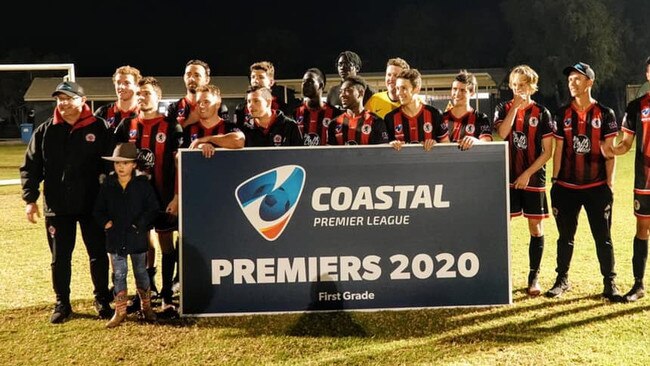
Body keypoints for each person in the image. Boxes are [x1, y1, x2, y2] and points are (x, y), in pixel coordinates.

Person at [19, 81, 113, 323]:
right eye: (60, 98)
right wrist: (30, 199)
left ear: (82, 101)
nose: (63, 103)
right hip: (58, 207)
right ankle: (62, 303)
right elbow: (31, 167)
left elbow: (111, 166)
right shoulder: (45, 131)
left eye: (69, 98)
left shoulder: (100, 128)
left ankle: (102, 299)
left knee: (98, 255)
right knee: (60, 258)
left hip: (92, 206)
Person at [546, 62, 620, 300]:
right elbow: (558, 149)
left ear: (590, 82)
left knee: (603, 238)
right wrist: (555, 180)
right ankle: (562, 280)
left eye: (577, 79)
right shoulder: (561, 113)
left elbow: (609, 152)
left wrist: (609, 183)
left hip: (596, 187)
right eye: (569, 80)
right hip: (566, 187)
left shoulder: (605, 114)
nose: (572, 83)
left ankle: (610, 283)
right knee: (565, 237)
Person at [114, 77, 183, 311]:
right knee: (142, 245)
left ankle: (166, 296)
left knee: (165, 244)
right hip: (136, 200)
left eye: (148, 94)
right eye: (140, 94)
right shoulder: (126, 127)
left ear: (158, 97)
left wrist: (176, 196)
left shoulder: (172, 126)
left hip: (163, 197)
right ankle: (145, 292)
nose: (143, 98)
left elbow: (179, 165)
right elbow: (117, 162)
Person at [494, 65, 554, 296]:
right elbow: (503, 133)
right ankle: (502, 275)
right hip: (507, 177)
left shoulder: (542, 113)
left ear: (532, 87)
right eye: (515, 85)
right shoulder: (503, 108)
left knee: (535, 227)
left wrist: (527, 173)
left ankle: (534, 276)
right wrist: (515, 109)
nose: (519, 89)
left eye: (523, 85)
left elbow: (547, 151)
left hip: (532, 177)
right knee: (502, 227)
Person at [94, 142, 159, 327]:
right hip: (116, 238)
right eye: (117, 163)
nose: (121, 167)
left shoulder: (142, 184)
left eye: (125, 163)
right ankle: (120, 311)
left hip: (136, 237)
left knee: (141, 271)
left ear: (134, 165)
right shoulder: (108, 184)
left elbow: (152, 208)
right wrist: (105, 222)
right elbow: (98, 209)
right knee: (119, 274)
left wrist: (139, 225)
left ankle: (146, 308)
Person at [605, 57, 650, 302]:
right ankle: (639, 284)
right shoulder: (636, 106)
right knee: (642, 230)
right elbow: (625, 144)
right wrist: (607, 149)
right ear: (647, 74)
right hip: (645, 180)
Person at [385, 68, 449, 151]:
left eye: (403, 88)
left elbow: (447, 145)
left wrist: (435, 145)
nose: (399, 93)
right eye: (397, 88)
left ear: (416, 89)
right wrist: (389, 146)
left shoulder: (435, 114)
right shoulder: (389, 118)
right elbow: (383, 151)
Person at [234, 61, 301, 128]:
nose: (256, 81)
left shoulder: (283, 108)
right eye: (253, 77)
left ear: (271, 82)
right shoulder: (241, 109)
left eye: (261, 77)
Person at [184, 84, 245, 156]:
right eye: (198, 102)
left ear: (217, 104)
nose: (201, 106)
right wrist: (198, 147)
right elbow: (178, 158)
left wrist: (207, 139)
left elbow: (239, 141)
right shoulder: (189, 129)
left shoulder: (228, 126)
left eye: (206, 102)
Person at [167, 59, 229, 129]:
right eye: (188, 75)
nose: (192, 79)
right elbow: (171, 137)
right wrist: (190, 121)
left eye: (197, 75)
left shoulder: (218, 107)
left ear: (207, 80)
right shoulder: (174, 108)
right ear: (184, 77)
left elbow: (226, 135)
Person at [327, 75, 388, 145]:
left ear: (361, 92)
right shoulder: (334, 124)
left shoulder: (376, 122)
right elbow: (331, 154)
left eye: (347, 90)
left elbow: (382, 152)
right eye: (341, 91)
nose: (342, 95)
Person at [441, 70, 493, 150]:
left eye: (462, 90)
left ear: (472, 92)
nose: (457, 94)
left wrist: (475, 141)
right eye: (455, 89)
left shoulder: (481, 118)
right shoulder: (441, 118)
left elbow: (487, 144)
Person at [293, 67, 342, 146]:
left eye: (310, 82)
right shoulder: (294, 112)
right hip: (300, 158)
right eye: (303, 81)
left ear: (321, 85)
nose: (305, 84)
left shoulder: (335, 114)